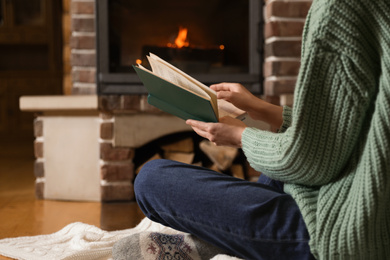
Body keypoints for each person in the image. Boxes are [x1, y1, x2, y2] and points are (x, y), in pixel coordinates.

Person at [118, 0, 390, 259]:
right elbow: (346, 129)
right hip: (355, 197)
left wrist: (240, 136)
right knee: (276, 175)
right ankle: (234, 241)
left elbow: (310, 161)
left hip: (345, 233)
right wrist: (258, 107)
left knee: (151, 179)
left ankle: (222, 245)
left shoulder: (341, 10)